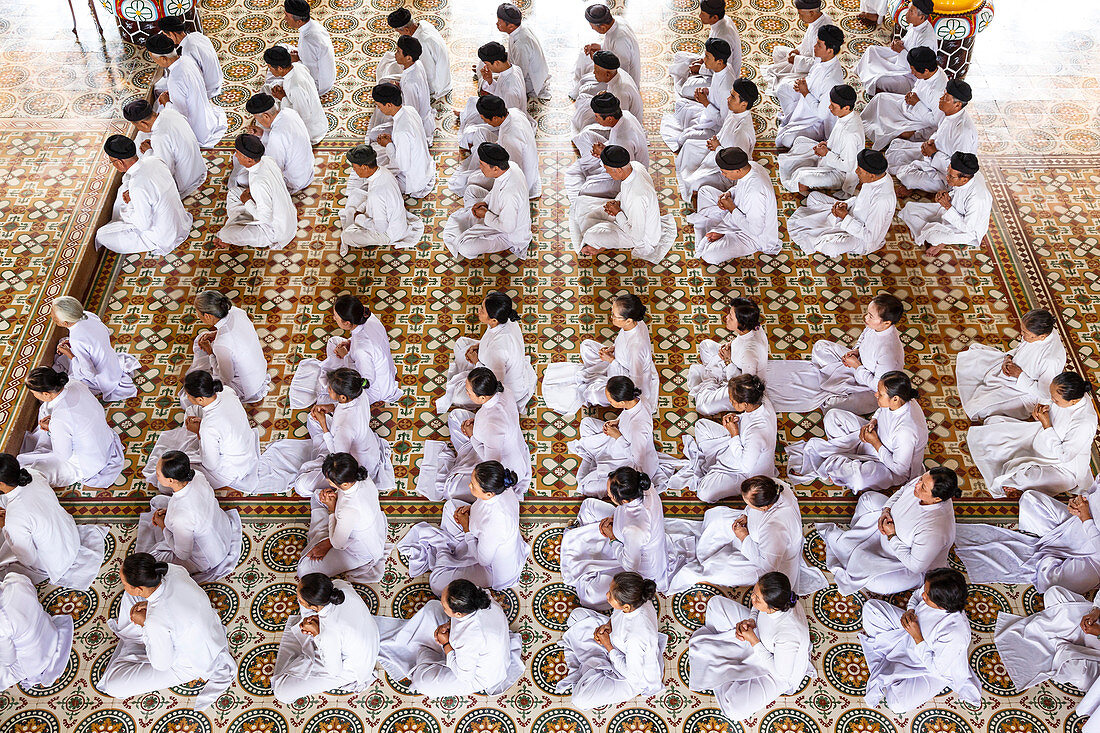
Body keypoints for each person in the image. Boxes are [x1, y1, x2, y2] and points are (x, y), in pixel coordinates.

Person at [96, 554, 236, 710]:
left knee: (113, 686)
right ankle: (135, 637)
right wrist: (150, 610)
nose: (124, 587)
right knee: (130, 600)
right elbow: (169, 602)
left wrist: (145, 624)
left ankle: (133, 642)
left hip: (190, 664)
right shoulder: (174, 570)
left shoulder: (156, 621)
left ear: (140, 589)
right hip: (208, 629)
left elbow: (162, 664)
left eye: (125, 584)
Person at [815, 467, 960, 595]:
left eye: (923, 487)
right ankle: (862, 539)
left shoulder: (935, 529)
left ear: (937, 499)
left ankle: (863, 547)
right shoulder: (923, 482)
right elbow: (902, 491)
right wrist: (886, 510)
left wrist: (891, 535)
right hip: (888, 524)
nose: (917, 485)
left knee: (876, 583)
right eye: (921, 479)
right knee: (868, 499)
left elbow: (915, 565)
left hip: (900, 560)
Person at [687, 572, 812, 720]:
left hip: (776, 670)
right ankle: (733, 662)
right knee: (716, 604)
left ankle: (727, 668)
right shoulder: (779, 598)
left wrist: (753, 641)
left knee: (734, 708)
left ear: (772, 608)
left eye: (757, 598)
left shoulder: (789, 635)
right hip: (760, 636)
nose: (752, 598)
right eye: (754, 592)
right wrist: (751, 621)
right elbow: (756, 608)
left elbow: (781, 674)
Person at [667, 479, 826, 593]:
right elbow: (752, 511)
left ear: (764, 507)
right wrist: (746, 515)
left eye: (749, 504)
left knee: (718, 567)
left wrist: (744, 538)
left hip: (764, 561)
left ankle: (705, 564)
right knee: (718, 518)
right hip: (753, 530)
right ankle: (703, 554)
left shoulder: (775, 530)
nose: (746, 504)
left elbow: (767, 565)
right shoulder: (774, 486)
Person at [860, 568, 981, 712]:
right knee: (871, 608)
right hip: (909, 635)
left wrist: (917, 637)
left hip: (929, 668)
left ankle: (896, 668)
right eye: (925, 589)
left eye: (927, 596)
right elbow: (917, 596)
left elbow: (936, 669)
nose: (923, 594)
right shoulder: (932, 592)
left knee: (897, 704)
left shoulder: (955, 634)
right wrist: (910, 611)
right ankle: (894, 665)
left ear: (941, 605)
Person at [375, 579, 523, 696]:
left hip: (477, 676)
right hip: (487, 645)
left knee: (422, 682)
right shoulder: (480, 595)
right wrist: (449, 624)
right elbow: (467, 623)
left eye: (445, 607)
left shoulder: (469, 637)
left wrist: (446, 644)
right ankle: (426, 650)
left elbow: (464, 676)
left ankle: (425, 651)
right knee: (433, 607)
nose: (442, 605)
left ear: (459, 614)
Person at [399, 460, 528, 595]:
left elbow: (482, 560)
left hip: (491, 569)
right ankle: (454, 548)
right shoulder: (502, 489)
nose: (469, 485)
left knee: (437, 583)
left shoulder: (496, 525)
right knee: (451, 506)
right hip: (481, 537)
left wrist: (467, 528)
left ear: (489, 494)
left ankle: (444, 548)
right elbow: (482, 505)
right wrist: (470, 510)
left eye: (473, 486)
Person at [788, 371, 928, 493]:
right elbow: (881, 410)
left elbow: (900, 470)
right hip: (873, 437)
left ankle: (838, 465)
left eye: (880, 394)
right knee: (833, 416)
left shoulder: (906, 431)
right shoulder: (901, 399)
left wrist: (875, 442)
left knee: (858, 479)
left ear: (895, 399)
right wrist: (873, 421)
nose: (875, 394)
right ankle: (844, 461)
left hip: (886, 465)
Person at [262, 367, 394, 496]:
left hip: (351, 464)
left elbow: (338, 456)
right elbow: (345, 407)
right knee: (312, 417)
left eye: (330, 389)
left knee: (301, 486)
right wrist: (330, 407)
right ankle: (318, 455)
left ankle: (331, 491)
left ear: (342, 397)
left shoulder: (344, 427)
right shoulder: (359, 393)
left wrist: (324, 425)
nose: (328, 390)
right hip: (364, 446)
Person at [767, 293, 906, 414]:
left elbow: (877, 385)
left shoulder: (889, 352)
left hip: (870, 390)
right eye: (867, 313)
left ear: (887, 323)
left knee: (830, 404)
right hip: (857, 364)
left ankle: (836, 386)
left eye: (870, 316)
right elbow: (864, 336)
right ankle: (832, 376)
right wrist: (856, 351)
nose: (865, 318)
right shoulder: (875, 326)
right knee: (821, 347)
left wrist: (857, 366)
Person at [967, 371, 1097, 499]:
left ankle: (1021, 484)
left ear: (1073, 401)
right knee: (994, 426)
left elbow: (1064, 456)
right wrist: (1043, 408)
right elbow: (1049, 402)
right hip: (1040, 438)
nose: (1052, 400)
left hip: (1063, 467)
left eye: (1055, 400)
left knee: (1023, 478)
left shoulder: (1085, 422)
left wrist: (1046, 425)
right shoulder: (1069, 394)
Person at [954, 482, 1100, 595]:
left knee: (1051, 584)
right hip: (1075, 523)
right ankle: (1054, 545)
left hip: (1094, 555)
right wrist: (1077, 503)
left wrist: (1085, 517)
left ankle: (1053, 553)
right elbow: (1092, 494)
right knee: (1030, 499)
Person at [992, 584, 1100, 728]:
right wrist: (1095, 611)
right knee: (1054, 593)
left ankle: (1064, 646)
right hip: (1095, 623)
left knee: (1079, 674)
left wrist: (1098, 632)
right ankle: (1063, 642)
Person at [560, 468, 671, 606]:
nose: (608, 495)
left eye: (610, 496)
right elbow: (624, 511)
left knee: (590, 595)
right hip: (623, 532)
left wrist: (612, 537)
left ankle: (590, 558)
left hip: (635, 563)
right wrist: (612, 518)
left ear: (623, 500)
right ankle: (589, 544)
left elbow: (630, 565)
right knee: (589, 505)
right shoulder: (642, 485)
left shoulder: (635, 529)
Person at [417, 368, 531, 502]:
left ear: (482, 397)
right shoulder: (503, 389)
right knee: (456, 416)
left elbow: (491, 463)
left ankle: (463, 463)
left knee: (450, 489)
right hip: (489, 440)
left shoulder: (493, 427)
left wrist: (472, 436)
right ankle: (464, 458)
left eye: (468, 392)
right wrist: (476, 424)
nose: (466, 393)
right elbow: (490, 416)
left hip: (499, 466)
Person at [558, 571, 666, 708]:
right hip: (616, 644)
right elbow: (618, 615)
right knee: (576, 616)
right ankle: (593, 666)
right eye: (609, 590)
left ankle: (593, 666)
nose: (607, 595)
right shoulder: (637, 599)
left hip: (630, 678)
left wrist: (608, 645)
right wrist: (607, 626)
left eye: (610, 595)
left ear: (626, 606)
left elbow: (633, 676)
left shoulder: (636, 638)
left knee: (580, 699)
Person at [0, 454, 106, 590]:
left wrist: (6, 528)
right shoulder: (32, 474)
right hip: (70, 535)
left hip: (57, 561)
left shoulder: (14, 518)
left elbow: (29, 560)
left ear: (1, 484)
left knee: (5, 566)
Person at [542, 293, 659, 416]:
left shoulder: (636, 348)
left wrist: (612, 361)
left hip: (624, 376)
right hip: (616, 361)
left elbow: (635, 381)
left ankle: (597, 382)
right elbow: (623, 342)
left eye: (614, 315)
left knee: (591, 393)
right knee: (587, 345)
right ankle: (597, 375)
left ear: (628, 320)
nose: (611, 317)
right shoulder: (636, 324)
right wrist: (612, 349)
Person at [143, 370, 260, 493]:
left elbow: (211, 465)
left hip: (231, 469)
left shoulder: (208, 428)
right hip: (245, 446)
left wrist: (199, 432)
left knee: (166, 484)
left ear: (199, 399)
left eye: (188, 395)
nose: (187, 397)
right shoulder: (227, 391)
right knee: (192, 410)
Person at [270, 572, 379, 703]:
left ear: (315, 607)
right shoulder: (340, 585)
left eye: (300, 600)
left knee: (282, 692)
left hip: (353, 669)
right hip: (370, 637)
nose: (297, 599)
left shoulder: (329, 633)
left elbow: (334, 671)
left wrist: (317, 635)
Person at [135, 451, 241, 582]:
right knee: (159, 501)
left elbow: (183, 554)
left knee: (150, 563)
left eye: (158, 474)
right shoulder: (198, 476)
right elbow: (194, 508)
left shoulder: (180, 516)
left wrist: (164, 527)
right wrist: (169, 513)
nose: (156, 477)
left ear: (170, 480)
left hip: (209, 558)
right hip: (223, 531)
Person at [668, 376, 777, 500]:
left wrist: (734, 434)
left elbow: (745, 466)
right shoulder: (761, 401)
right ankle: (715, 466)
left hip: (746, 473)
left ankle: (717, 470)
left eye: (733, 401)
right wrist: (737, 417)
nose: (730, 402)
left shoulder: (757, 433)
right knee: (701, 425)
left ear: (745, 404)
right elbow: (749, 418)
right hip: (739, 444)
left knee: (704, 493)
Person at [570, 376, 681, 497]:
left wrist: (617, 436)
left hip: (627, 461)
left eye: (611, 401)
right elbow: (627, 413)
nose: (610, 403)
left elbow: (637, 461)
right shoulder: (637, 398)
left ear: (622, 402)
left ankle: (591, 458)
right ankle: (593, 457)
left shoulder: (639, 428)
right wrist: (617, 421)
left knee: (586, 487)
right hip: (617, 440)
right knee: (586, 423)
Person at [287, 293, 403, 409]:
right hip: (381, 366)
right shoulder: (369, 316)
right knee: (334, 342)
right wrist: (350, 342)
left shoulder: (360, 351)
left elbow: (366, 381)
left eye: (336, 317)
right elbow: (368, 338)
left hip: (374, 388)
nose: (333, 318)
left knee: (323, 400)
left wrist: (346, 356)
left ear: (347, 323)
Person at [18, 367, 124, 489]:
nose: (34, 395)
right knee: (45, 409)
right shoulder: (75, 383)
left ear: (46, 394)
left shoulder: (60, 419)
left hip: (89, 463)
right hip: (105, 440)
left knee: (32, 468)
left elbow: (63, 456)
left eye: (33, 393)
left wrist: (52, 429)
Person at [569, 145, 676, 262]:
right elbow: (626, 189)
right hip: (627, 213)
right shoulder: (635, 166)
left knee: (590, 236)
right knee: (586, 205)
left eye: (608, 170)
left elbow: (637, 235)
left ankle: (603, 245)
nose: (607, 173)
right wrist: (617, 202)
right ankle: (606, 238)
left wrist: (618, 213)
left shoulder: (637, 197)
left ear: (619, 170)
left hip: (642, 237)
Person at [956, 308, 1066, 421]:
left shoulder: (1050, 360)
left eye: (1025, 333)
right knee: (972, 359)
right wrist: (1008, 357)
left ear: (1041, 337)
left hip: (1023, 391)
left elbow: (1044, 393)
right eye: (1022, 330)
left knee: (982, 409)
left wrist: (1019, 375)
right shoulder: (1041, 333)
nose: (1021, 334)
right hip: (1012, 369)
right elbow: (1021, 348)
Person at [436, 291, 537, 413]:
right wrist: (479, 346)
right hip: (488, 360)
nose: (479, 310)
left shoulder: (499, 350)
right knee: (461, 343)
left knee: (457, 398)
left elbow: (494, 382)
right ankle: (467, 375)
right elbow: (491, 337)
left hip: (502, 386)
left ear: (493, 320)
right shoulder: (506, 319)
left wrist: (476, 362)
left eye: (482, 310)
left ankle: (466, 377)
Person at [786, 148, 897, 257]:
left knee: (829, 248)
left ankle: (833, 230)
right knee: (814, 197)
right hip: (851, 215)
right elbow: (861, 200)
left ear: (871, 176)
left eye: (860, 170)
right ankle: (832, 223)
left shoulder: (882, 200)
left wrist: (845, 217)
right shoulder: (879, 176)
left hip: (860, 239)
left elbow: (870, 236)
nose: (856, 171)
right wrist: (846, 204)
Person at [94, 134, 192, 256]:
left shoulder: (137, 186)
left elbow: (143, 225)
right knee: (123, 190)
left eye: (112, 162)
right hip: (181, 223)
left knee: (102, 235)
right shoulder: (155, 160)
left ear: (119, 162)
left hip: (163, 237)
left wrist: (130, 204)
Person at [297, 453, 389, 582]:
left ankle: (321, 537)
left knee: (304, 570)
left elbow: (337, 544)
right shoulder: (362, 475)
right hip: (364, 527)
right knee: (317, 496)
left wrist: (331, 509)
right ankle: (321, 536)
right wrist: (334, 496)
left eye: (329, 480)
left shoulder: (348, 510)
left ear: (344, 484)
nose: (327, 482)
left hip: (359, 551)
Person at [688, 147, 780, 263]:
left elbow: (755, 230)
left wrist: (731, 208)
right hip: (736, 212)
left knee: (709, 256)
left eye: (725, 172)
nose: (723, 174)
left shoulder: (755, 193)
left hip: (751, 236)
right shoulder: (751, 166)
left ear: (738, 171)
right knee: (704, 191)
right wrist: (729, 193)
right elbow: (740, 187)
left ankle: (720, 232)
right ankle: (720, 230)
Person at [442, 143, 532, 260]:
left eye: (482, 164)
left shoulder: (509, 195)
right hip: (496, 211)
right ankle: (477, 218)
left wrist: (485, 214)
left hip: (506, 234)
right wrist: (485, 202)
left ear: (495, 168)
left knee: (465, 248)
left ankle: (477, 220)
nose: (480, 167)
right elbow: (495, 190)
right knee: (471, 190)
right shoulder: (511, 166)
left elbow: (507, 228)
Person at [888, 80, 977, 195]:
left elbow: (959, 170)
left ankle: (915, 185)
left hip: (945, 176)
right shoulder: (951, 114)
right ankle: (916, 177)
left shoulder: (964, 132)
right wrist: (930, 142)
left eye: (946, 97)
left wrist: (934, 154)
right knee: (896, 147)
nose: (941, 99)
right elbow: (940, 132)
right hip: (933, 155)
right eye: (943, 94)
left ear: (957, 104)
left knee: (907, 177)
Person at [676, 78, 758, 202]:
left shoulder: (742, 130)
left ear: (744, 104)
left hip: (727, 171)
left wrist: (718, 147)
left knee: (694, 184)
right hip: (717, 150)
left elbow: (737, 162)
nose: (728, 99)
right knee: (689, 146)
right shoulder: (735, 111)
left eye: (732, 97)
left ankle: (696, 190)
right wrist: (715, 141)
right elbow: (724, 133)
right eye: (730, 94)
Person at [899, 151, 993, 257]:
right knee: (909, 208)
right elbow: (958, 194)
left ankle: (939, 239)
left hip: (966, 230)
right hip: (950, 210)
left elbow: (967, 228)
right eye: (947, 172)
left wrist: (948, 206)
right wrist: (946, 196)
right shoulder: (969, 176)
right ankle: (933, 230)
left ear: (964, 179)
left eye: (951, 176)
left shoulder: (977, 199)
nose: (946, 178)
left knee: (933, 238)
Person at [186, 290, 271, 404]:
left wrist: (210, 352)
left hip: (248, 387)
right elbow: (236, 332)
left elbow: (226, 377)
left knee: (194, 392)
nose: (198, 316)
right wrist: (216, 333)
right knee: (204, 339)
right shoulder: (237, 312)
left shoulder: (222, 344)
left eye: (198, 314)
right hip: (259, 370)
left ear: (207, 316)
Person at [686, 297, 769, 414]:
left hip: (738, 384)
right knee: (706, 346)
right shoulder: (753, 327)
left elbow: (744, 387)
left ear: (742, 323)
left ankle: (711, 381)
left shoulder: (750, 353)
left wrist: (727, 361)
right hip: (732, 362)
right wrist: (731, 346)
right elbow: (742, 341)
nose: (727, 317)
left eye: (731, 316)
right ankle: (712, 379)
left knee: (702, 406)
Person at [778, 84, 864, 197]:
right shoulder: (847, 115)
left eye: (833, 106)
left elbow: (847, 166)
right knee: (800, 141)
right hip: (830, 156)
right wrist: (826, 144)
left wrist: (826, 153)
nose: (829, 108)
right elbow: (838, 141)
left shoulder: (850, 135)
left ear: (846, 108)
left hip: (840, 174)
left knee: (801, 179)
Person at [450, 95, 540, 202]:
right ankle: (482, 168)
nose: (485, 122)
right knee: (480, 133)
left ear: (495, 118)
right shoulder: (514, 112)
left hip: (522, 179)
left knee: (470, 180)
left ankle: (481, 171)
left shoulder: (510, 140)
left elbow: (510, 173)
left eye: (484, 119)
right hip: (508, 153)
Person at [216, 134, 298, 250]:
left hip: (274, 230)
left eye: (238, 153)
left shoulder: (258, 183)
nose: (236, 156)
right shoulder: (267, 160)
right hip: (285, 215)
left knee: (225, 234)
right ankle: (238, 222)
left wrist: (247, 201)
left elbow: (266, 218)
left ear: (249, 160)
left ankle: (235, 226)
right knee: (234, 192)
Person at [339, 143, 424, 254]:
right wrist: (361, 210)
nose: (354, 170)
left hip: (388, 234)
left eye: (355, 167)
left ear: (364, 167)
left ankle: (356, 225)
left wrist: (359, 218)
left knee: (347, 236)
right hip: (395, 220)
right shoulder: (383, 171)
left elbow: (381, 228)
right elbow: (372, 197)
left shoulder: (376, 194)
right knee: (356, 194)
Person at [146, 33, 227, 148]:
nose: (155, 62)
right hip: (206, 117)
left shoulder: (175, 78)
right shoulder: (186, 59)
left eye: (154, 59)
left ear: (163, 59)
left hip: (197, 130)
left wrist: (166, 102)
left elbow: (180, 115)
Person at [51, 296, 138, 403]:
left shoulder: (77, 340)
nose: (51, 317)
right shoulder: (88, 315)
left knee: (67, 387)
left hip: (103, 376)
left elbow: (89, 372)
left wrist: (70, 354)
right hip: (111, 361)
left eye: (54, 316)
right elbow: (98, 335)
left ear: (64, 323)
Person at [0, 571, 74, 691]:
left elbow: (9, 660)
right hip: (49, 631)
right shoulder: (14, 578)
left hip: (34, 661)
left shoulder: (2, 624)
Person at [861, 47, 947, 151]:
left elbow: (935, 121)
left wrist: (917, 103)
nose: (912, 72)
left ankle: (884, 136)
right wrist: (912, 94)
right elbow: (918, 87)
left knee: (898, 132)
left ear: (926, 70)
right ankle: (868, 126)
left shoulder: (938, 92)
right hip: (910, 106)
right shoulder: (931, 73)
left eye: (914, 70)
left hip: (920, 121)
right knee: (881, 98)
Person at [773, 24, 844, 148]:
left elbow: (822, 114)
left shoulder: (831, 80)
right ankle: (793, 119)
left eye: (819, 45)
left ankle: (810, 135)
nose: (814, 47)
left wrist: (805, 92)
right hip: (806, 102)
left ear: (830, 50)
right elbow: (812, 78)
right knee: (782, 88)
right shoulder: (822, 59)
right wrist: (803, 85)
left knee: (786, 140)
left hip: (816, 122)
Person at [566, 92, 648, 200]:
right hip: (612, 154)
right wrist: (605, 149)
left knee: (584, 190)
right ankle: (593, 171)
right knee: (585, 136)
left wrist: (602, 154)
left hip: (622, 177)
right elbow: (615, 145)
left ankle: (594, 174)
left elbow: (624, 170)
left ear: (609, 118)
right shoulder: (625, 114)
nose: (596, 119)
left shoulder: (623, 141)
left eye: (597, 116)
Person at [660, 38, 735, 152]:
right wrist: (707, 91)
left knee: (683, 138)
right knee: (681, 105)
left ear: (719, 61)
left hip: (716, 129)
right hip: (708, 114)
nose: (704, 60)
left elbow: (722, 121)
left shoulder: (726, 88)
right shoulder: (723, 68)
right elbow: (716, 90)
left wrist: (705, 102)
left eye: (707, 57)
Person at [123, 99, 206, 198]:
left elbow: (165, 171)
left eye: (137, 126)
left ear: (143, 123)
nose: (139, 129)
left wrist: (148, 152)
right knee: (141, 136)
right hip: (198, 169)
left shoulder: (159, 137)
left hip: (186, 182)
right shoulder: (169, 112)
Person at [367, 83, 435, 199]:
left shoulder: (401, 132)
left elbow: (402, 166)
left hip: (414, 180)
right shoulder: (410, 110)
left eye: (379, 106)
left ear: (388, 105)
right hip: (424, 166)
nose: (379, 109)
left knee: (375, 185)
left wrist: (388, 144)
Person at [855, 0, 937, 95]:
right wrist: (899, 43)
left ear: (921, 17)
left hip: (910, 76)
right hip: (900, 59)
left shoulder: (927, 40)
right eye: (908, 10)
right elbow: (907, 42)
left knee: (881, 80)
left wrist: (901, 51)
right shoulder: (916, 24)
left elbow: (919, 68)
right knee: (871, 50)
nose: (907, 14)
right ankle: (865, 75)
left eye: (911, 12)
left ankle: (873, 86)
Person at [239, 92, 314, 194]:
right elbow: (287, 139)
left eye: (257, 119)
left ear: (266, 116)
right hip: (307, 173)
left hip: (293, 182)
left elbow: (274, 168)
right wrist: (263, 134)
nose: (259, 122)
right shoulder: (290, 112)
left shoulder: (277, 135)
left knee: (242, 178)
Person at [376, 8, 451, 102]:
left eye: (399, 32)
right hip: (440, 71)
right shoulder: (423, 24)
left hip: (437, 83)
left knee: (386, 79)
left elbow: (428, 73)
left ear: (406, 30)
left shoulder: (421, 43)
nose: (400, 35)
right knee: (391, 60)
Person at [670, 0, 741, 96]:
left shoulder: (723, 36)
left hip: (720, 77)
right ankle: (694, 76)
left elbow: (722, 67)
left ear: (714, 17)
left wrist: (700, 69)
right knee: (679, 56)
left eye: (703, 14)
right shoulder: (722, 20)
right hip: (712, 63)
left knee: (686, 90)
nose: (699, 16)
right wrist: (701, 61)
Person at [458, 43, 526, 140]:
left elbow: (508, 117)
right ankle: (465, 116)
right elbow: (500, 92)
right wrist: (490, 80)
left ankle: (466, 119)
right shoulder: (514, 68)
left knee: (470, 133)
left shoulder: (510, 91)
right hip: (502, 108)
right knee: (473, 101)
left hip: (506, 124)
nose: (486, 66)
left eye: (487, 64)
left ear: (497, 62)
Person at [761, 0, 835, 89]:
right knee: (777, 51)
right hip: (803, 57)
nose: (799, 17)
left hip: (810, 69)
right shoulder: (818, 19)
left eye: (801, 14)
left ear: (811, 13)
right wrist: (797, 50)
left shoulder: (821, 31)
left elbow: (818, 63)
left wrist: (796, 60)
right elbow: (807, 42)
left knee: (783, 85)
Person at [572, 4, 641, 101]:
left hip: (619, 80)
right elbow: (610, 43)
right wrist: (600, 47)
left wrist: (599, 62)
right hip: (610, 64)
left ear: (603, 28)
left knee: (585, 88)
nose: (592, 29)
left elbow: (621, 72)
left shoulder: (620, 41)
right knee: (584, 55)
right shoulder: (617, 20)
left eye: (593, 27)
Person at [262, 45, 327, 144]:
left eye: (270, 67)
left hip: (311, 132)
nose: (269, 70)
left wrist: (283, 98)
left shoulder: (295, 88)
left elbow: (302, 115)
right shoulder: (298, 66)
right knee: (268, 88)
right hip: (319, 122)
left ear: (279, 68)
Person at [571, 50, 642, 134]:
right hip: (613, 115)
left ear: (608, 74)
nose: (594, 73)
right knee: (583, 98)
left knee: (585, 130)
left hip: (625, 128)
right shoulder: (617, 73)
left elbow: (619, 120)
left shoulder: (621, 93)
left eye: (596, 71)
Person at [155, 15, 222, 99]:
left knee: (158, 88)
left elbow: (195, 79)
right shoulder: (197, 35)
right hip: (218, 80)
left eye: (166, 35)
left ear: (172, 34)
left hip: (208, 89)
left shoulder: (187, 51)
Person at [495, 3, 550, 102]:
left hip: (530, 82)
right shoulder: (520, 29)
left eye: (499, 21)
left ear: (511, 26)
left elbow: (520, 73)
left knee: (496, 86)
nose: (496, 24)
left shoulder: (521, 45)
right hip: (524, 71)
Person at [382, 35, 434, 138]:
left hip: (418, 128)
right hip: (425, 118)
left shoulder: (410, 84)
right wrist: (400, 87)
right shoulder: (418, 63)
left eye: (398, 52)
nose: (395, 55)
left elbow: (412, 113)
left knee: (376, 133)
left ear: (409, 58)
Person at [282, 0, 336, 96]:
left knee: (276, 77)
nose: (285, 19)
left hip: (318, 86)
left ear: (298, 21)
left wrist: (296, 62)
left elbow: (310, 73)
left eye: (287, 16)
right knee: (281, 48)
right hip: (329, 77)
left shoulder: (308, 40)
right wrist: (300, 57)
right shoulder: (314, 25)